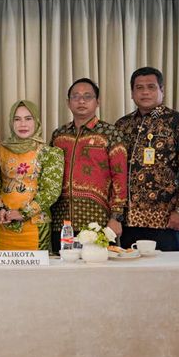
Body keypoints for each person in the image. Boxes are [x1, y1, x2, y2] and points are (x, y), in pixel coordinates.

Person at [115, 67, 179, 251]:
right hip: (129, 220)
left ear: (162, 90)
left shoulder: (178, 123)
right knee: (131, 267)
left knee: (167, 268)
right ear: (132, 93)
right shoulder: (123, 125)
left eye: (151, 87)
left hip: (166, 220)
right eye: (139, 88)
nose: (145, 92)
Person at [50, 78, 127, 252]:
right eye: (76, 96)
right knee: (63, 266)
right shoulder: (59, 135)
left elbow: (120, 177)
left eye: (87, 96)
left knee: (97, 266)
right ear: (68, 102)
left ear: (97, 102)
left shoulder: (110, 133)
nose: (81, 101)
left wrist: (116, 217)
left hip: (99, 220)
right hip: (61, 220)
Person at [0, 100, 64, 251]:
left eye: (28, 119)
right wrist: (1, 209)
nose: (23, 124)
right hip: (5, 222)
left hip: (35, 224)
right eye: (17, 119)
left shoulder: (49, 153)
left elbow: (51, 191)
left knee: (34, 266)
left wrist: (23, 213)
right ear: (11, 123)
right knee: (3, 265)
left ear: (36, 121)